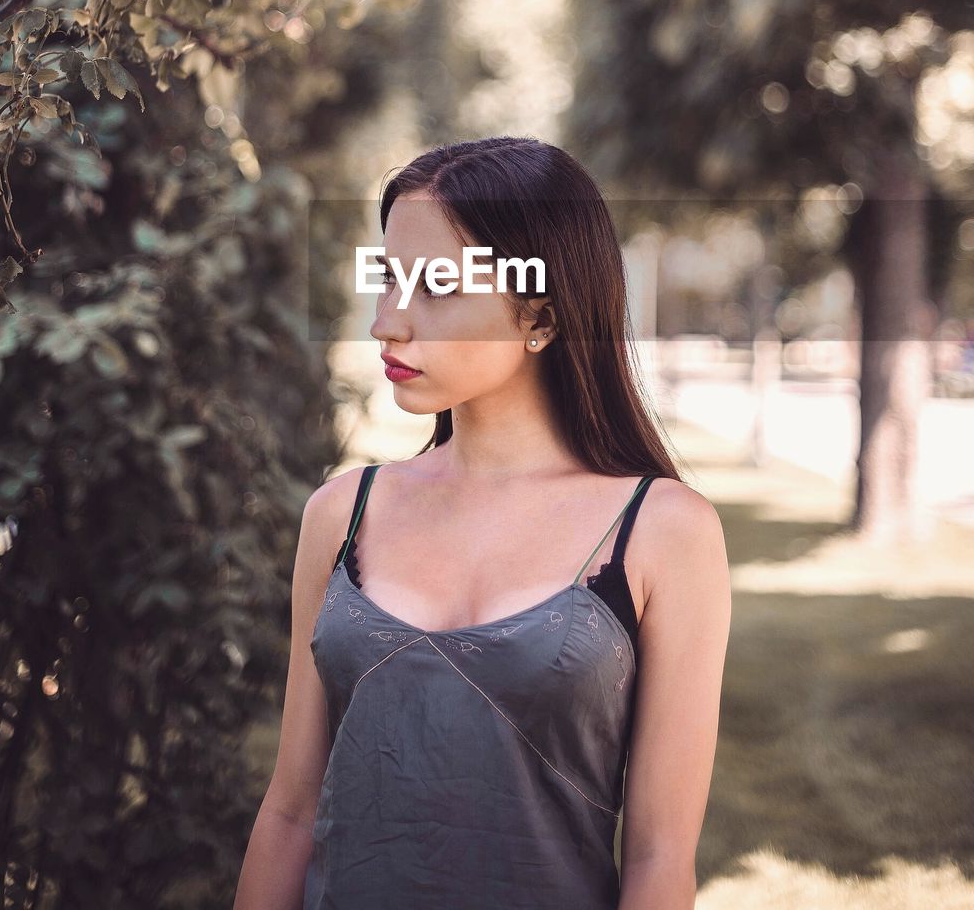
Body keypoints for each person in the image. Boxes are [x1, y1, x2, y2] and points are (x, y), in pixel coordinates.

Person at [234, 136, 731, 910]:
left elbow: (660, 860)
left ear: (542, 315)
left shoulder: (663, 531)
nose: (387, 324)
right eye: (389, 279)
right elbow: (290, 812)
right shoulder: (342, 513)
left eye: (435, 286)